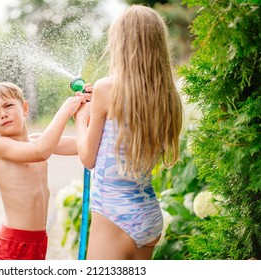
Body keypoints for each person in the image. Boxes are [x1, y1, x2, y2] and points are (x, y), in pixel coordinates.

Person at [74, 5, 183, 260]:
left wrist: (81, 119)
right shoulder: (167, 95)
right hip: (149, 216)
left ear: (121, 44)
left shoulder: (106, 88)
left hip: (115, 214)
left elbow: (88, 158)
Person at [0, 82, 88, 260]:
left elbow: (82, 144)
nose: (3, 114)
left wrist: (90, 104)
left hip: (39, 240)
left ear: (25, 108)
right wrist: (65, 111)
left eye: (8, 105)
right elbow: (40, 152)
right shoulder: (0, 146)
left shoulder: (37, 140)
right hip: (14, 244)